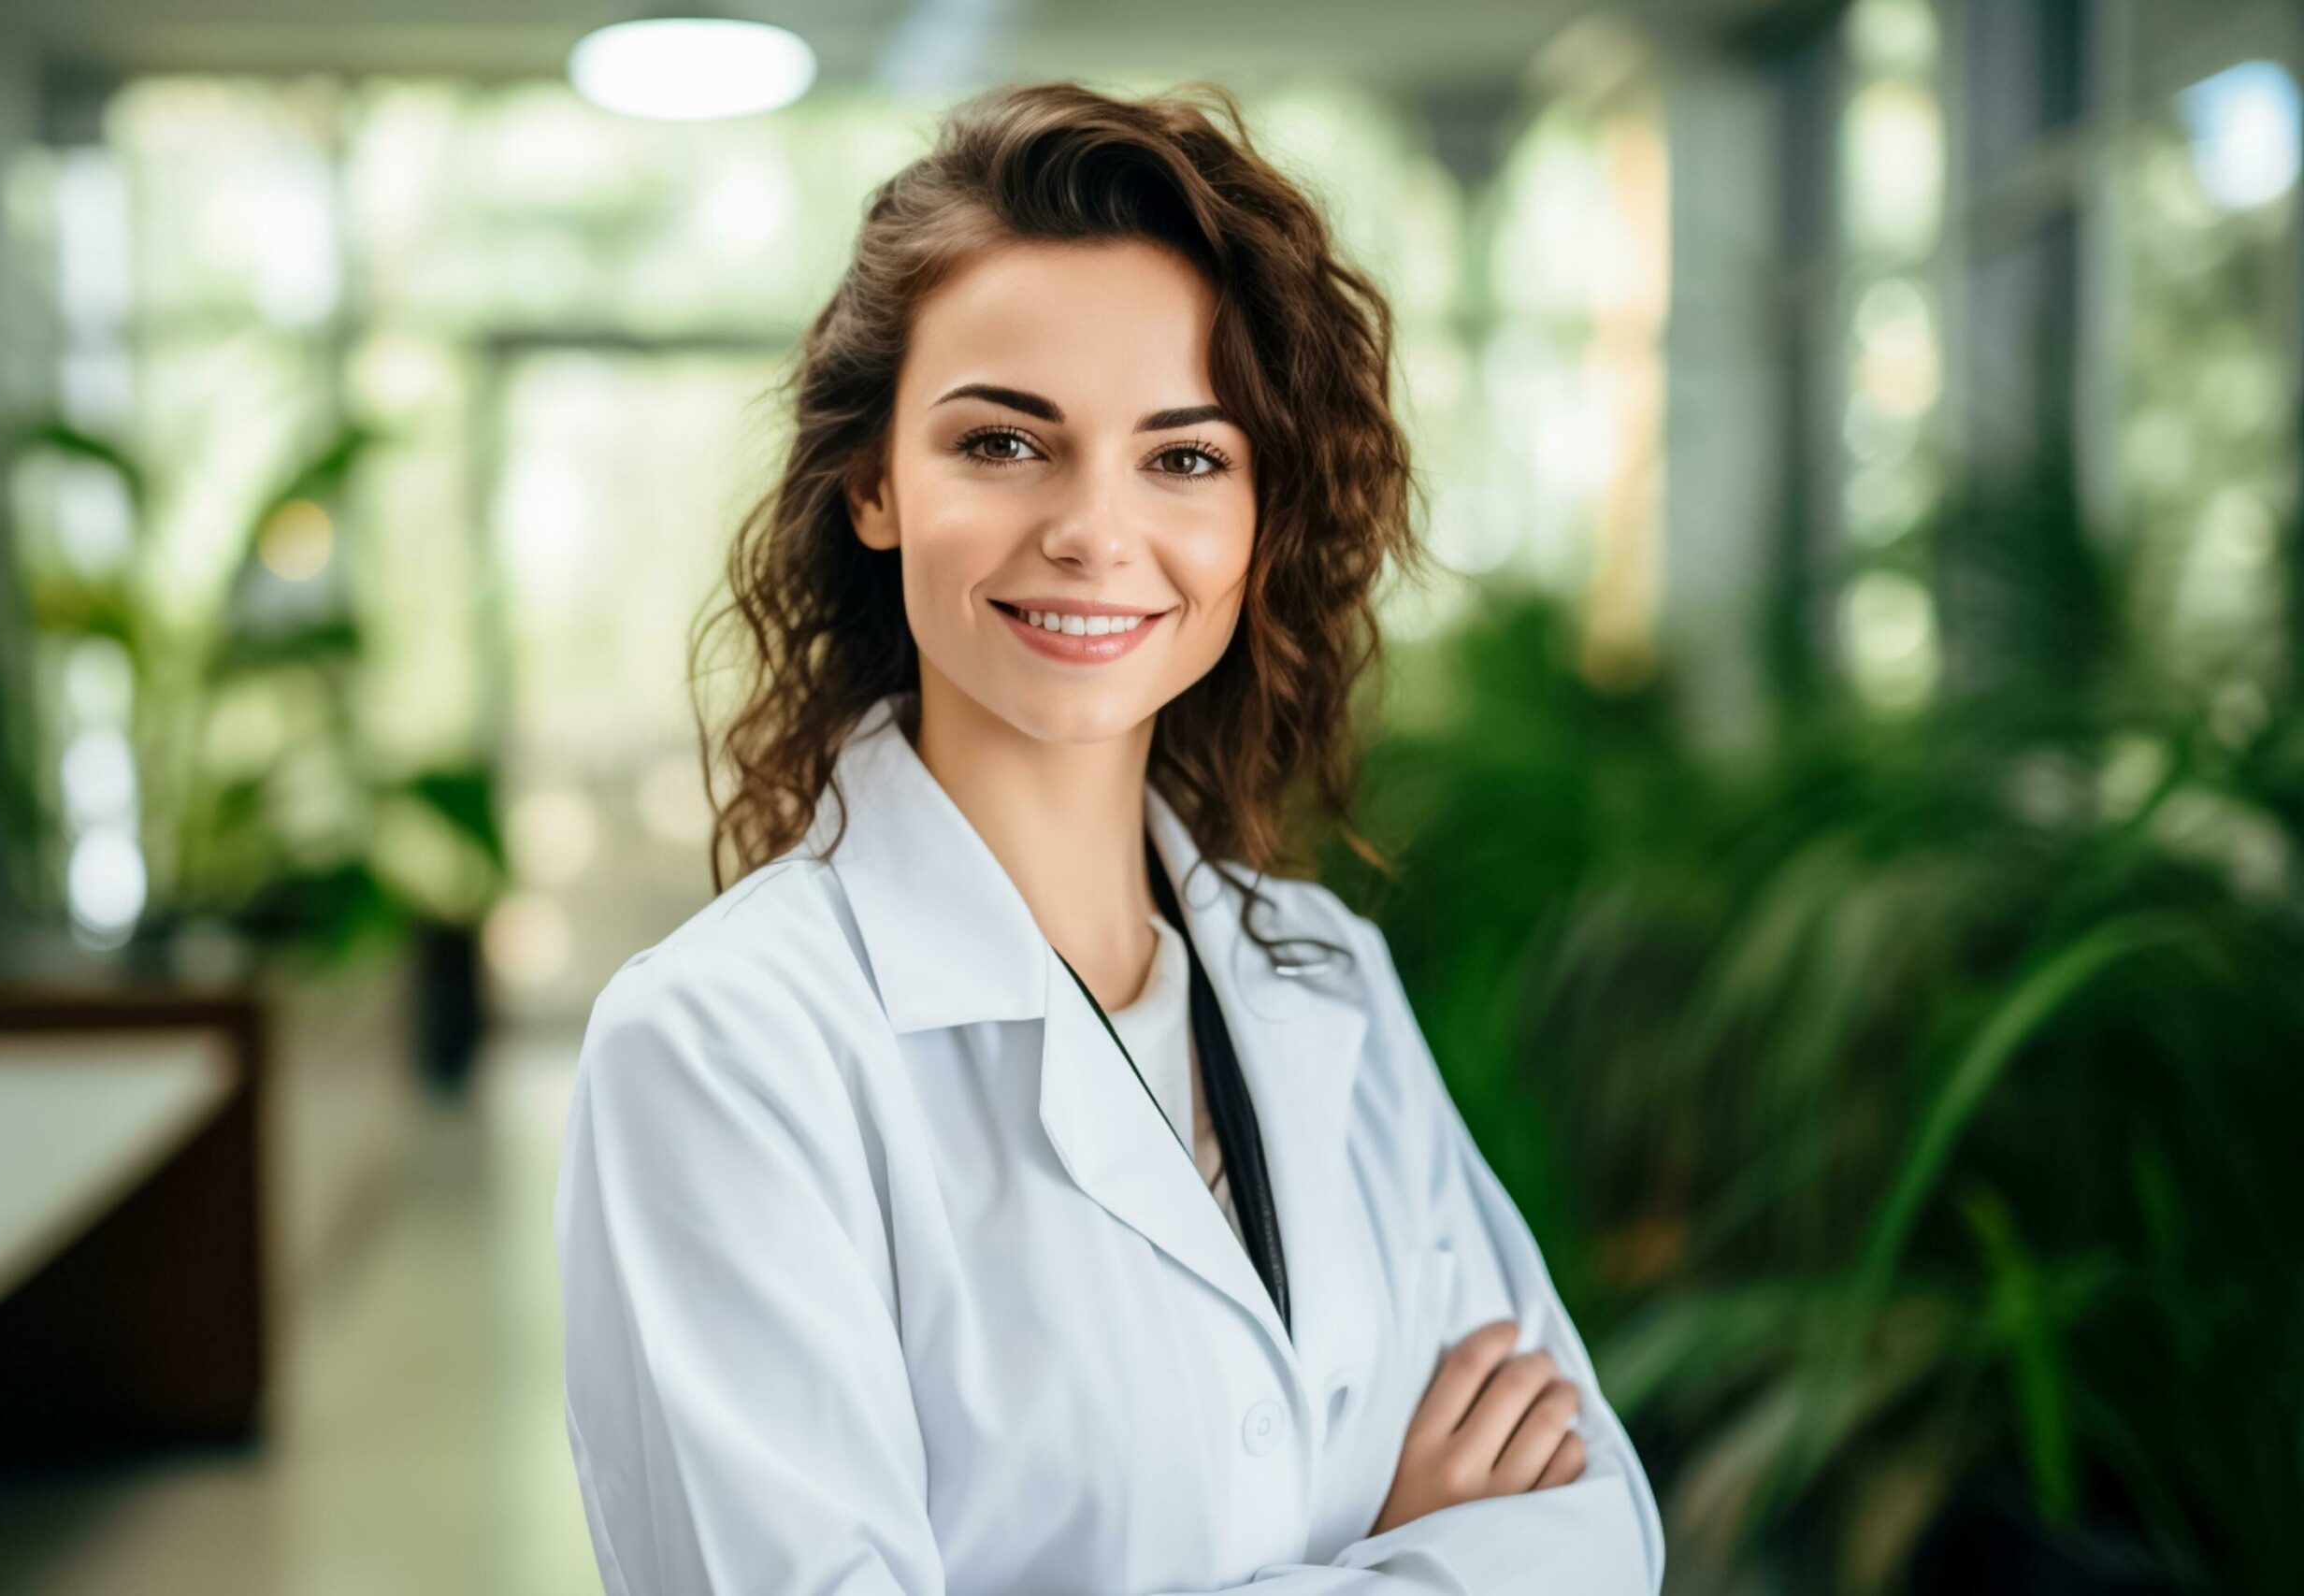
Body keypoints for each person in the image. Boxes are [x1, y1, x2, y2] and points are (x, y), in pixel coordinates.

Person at [554, 79, 1664, 1595]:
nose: (1092, 528)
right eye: (1004, 445)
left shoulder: (1319, 973)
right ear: (876, 482)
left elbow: (1594, 1531)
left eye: (1185, 456)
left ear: (1259, 515)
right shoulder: (726, 1049)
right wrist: (1398, 1552)